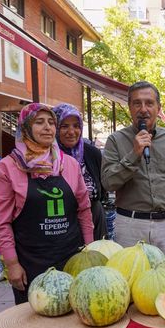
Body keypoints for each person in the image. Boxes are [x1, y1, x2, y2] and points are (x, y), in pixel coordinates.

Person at [0, 103, 94, 304]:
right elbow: (0, 223)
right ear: (25, 127)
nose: (48, 127)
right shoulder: (5, 169)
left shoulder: (69, 164)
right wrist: (12, 264)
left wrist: (89, 249)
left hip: (71, 257)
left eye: (51, 122)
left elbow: (84, 210)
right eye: (39, 122)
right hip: (31, 262)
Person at [101, 81, 165, 259]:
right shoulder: (115, 140)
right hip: (130, 225)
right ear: (129, 107)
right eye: (137, 103)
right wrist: (134, 154)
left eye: (149, 103)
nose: (143, 109)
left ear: (158, 107)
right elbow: (108, 182)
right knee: (129, 281)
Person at [53, 103, 108, 240]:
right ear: (55, 128)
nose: (72, 132)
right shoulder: (47, 157)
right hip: (60, 224)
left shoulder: (92, 153)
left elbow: (102, 188)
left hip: (94, 218)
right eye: (64, 126)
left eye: (76, 126)